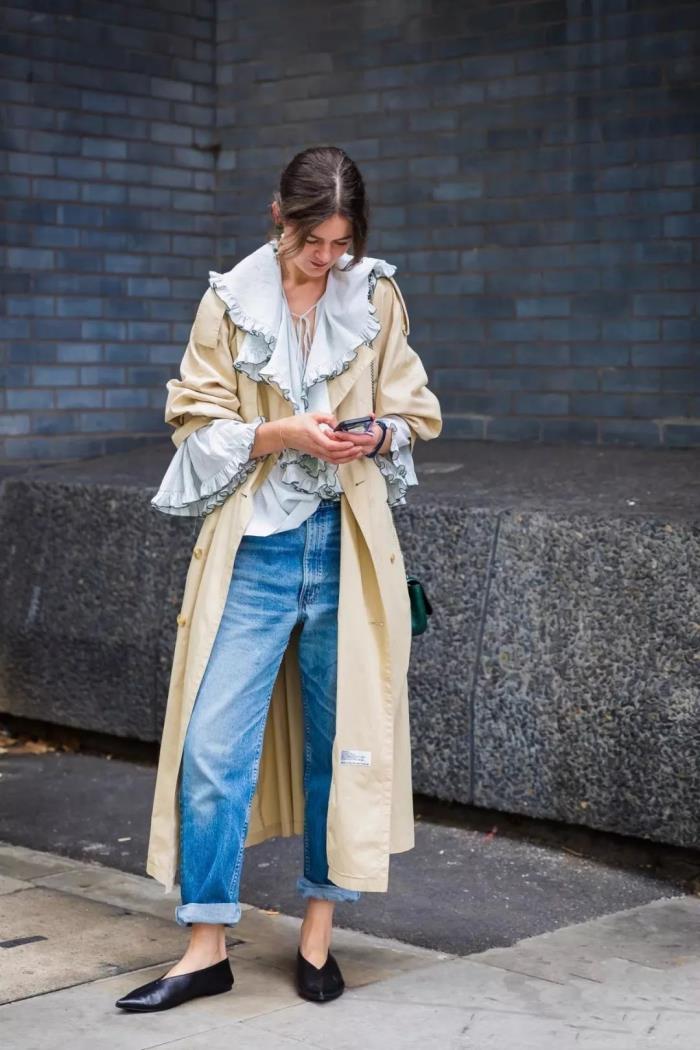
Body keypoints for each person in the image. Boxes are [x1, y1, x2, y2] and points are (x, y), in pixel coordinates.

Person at [116, 145, 442, 1013]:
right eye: (312, 241)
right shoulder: (229, 301)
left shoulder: (375, 296)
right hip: (253, 553)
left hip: (346, 549)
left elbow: (415, 411)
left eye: (341, 242)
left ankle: (317, 936)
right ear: (278, 217)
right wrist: (280, 435)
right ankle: (205, 945)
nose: (326, 258)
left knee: (345, 745)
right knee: (212, 749)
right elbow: (194, 422)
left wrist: (372, 433)